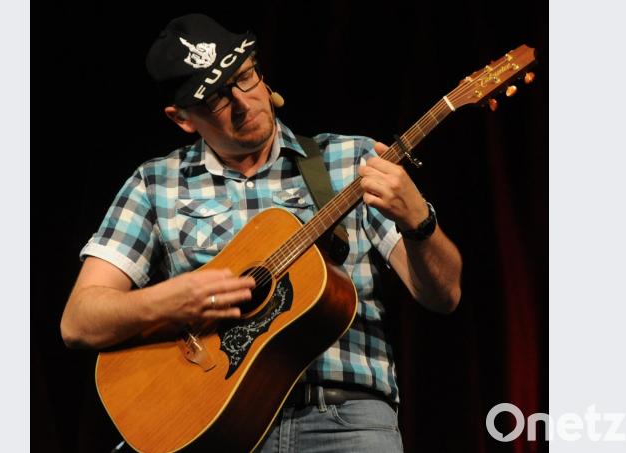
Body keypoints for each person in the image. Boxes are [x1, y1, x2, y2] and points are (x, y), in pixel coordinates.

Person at [60, 13, 462, 452]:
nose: (243, 102)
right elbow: (80, 321)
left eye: (245, 77)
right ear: (182, 118)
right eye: (214, 98)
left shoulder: (350, 160)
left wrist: (419, 220)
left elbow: (444, 295)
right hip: (211, 424)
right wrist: (173, 300)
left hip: (345, 418)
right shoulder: (155, 183)